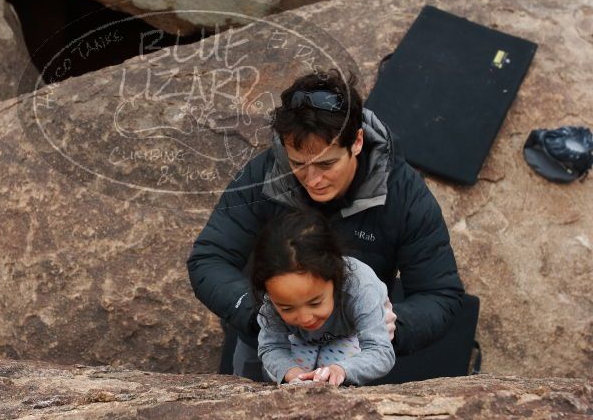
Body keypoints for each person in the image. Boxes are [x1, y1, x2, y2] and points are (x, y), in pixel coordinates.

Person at [187, 68, 469, 382]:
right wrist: (260, 315)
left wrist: (392, 323)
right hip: (267, 339)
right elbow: (208, 258)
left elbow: (440, 294)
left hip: (352, 349)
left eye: (326, 163)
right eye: (298, 164)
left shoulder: (404, 195)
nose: (313, 180)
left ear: (357, 141)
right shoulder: (263, 175)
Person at [251, 209, 395, 385]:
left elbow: (380, 351)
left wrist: (341, 370)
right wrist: (293, 374)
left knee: (332, 378)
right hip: (300, 340)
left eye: (315, 302)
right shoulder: (272, 294)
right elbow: (271, 347)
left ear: (335, 278)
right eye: (286, 308)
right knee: (289, 376)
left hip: (352, 335)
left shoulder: (360, 286)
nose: (305, 318)